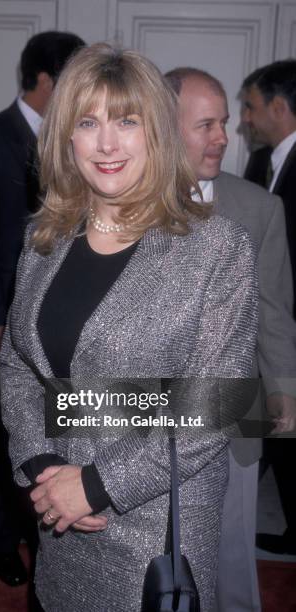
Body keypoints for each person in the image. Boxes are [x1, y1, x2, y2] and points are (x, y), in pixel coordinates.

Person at [0, 43, 258, 612]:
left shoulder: (215, 249)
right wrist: (42, 467)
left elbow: (218, 403)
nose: (107, 143)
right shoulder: (43, 241)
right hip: (59, 515)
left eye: (127, 121)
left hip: (156, 531)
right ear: (66, 136)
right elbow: (20, 364)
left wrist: (93, 486)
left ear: (156, 134)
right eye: (88, 122)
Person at [165, 66, 296, 612]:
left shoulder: (259, 208)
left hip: (231, 411)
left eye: (224, 122)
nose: (224, 136)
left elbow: (274, 314)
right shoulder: (117, 199)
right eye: (206, 125)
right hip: (134, 406)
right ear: (164, 126)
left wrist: (284, 389)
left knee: (230, 563)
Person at [0, 31, 85, 587]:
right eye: (72, 79)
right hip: (7, 321)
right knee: (7, 433)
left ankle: (50, 528)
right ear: (44, 80)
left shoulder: (77, 138)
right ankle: (2, 538)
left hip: (68, 319)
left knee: (61, 430)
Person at [242, 60, 296, 557]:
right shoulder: (259, 164)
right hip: (269, 324)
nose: (244, 120)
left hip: (288, 323)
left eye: (250, 107)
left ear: (279, 107)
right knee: (272, 429)